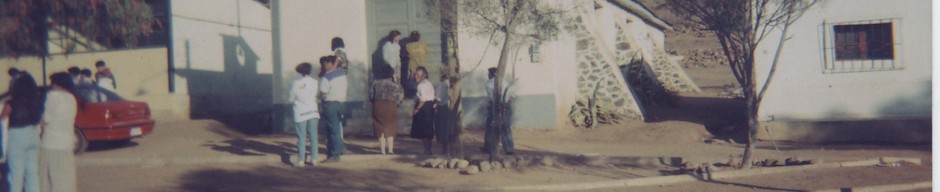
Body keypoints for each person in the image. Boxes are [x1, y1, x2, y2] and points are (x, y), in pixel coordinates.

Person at [2, 73, 42, 192]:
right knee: (32, 173)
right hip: (33, 136)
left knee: (16, 175)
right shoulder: (35, 102)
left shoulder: (11, 103)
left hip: (16, 137)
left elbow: (2, 118)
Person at [39, 72, 78, 192]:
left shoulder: (52, 96)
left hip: (51, 143)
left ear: (57, 84)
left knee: (47, 179)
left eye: (52, 83)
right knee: (65, 179)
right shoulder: (72, 98)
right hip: (67, 143)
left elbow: (45, 119)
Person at [289, 62, 319, 167]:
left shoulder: (296, 83)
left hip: (300, 111)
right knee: (313, 136)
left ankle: (301, 160)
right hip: (313, 110)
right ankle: (314, 159)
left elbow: (291, 97)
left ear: (300, 72)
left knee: (301, 137)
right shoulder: (315, 82)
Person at [369, 65, 403, 155]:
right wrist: (397, 104)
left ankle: (382, 151)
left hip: (378, 105)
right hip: (390, 106)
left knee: (379, 126)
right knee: (390, 126)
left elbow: (371, 95)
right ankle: (390, 150)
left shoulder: (375, 83)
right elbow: (400, 96)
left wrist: (374, 103)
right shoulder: (395, 84)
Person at [319, 56, 347, 163]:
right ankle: (338, 150)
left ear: (332, 63)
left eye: (327, 63)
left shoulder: (327, 77)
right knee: (336, 129)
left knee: (332, 130)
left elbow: (323, 93)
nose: (325, 66)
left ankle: (335, 154)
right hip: (341, 104)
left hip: (330, 104)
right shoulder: (342, 75)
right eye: (324, 64)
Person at [482, 67, 515, 156]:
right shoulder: (505, 82)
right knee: (506, 127)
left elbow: (491, 98)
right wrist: (506, 104)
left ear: (491, 74)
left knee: (491, 127)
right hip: (506, 107)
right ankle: (509, 149)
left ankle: (489, 147)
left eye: (488, 74)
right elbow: (512, 96)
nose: (488, 75)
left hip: (495, 107)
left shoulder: (489, 83)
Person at [410, 67, 435, 155]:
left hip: (424, 107)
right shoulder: (429, 83)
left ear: (422, 75)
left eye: (417, 75)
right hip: (429, 106)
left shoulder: (421, 85)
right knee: (428, 128)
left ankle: (426, 150)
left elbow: (422, 99)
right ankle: (429, 150)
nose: (415, 76)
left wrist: (417, 109)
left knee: (424, 130)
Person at [434, 73, 455, 156]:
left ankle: (445, 150)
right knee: (449, 128)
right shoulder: (451, 85)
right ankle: (449, 150)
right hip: (450, 108)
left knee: (443, 129)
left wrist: (434, 105)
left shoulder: (442, 85)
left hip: (442, 107)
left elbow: (438, 98)